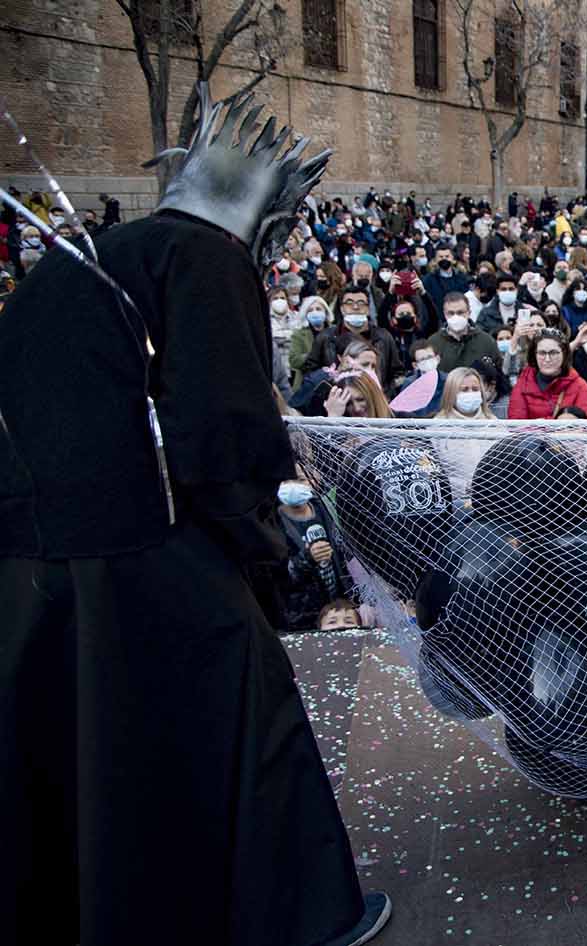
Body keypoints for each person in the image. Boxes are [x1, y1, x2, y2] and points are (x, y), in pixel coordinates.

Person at [0, 87, 387, 945]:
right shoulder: (205, 258)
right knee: (246, 697)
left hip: (39, 551)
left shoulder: (98, 251)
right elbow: (225, 427)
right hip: (139, 538)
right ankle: (295, 916)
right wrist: (257, 542)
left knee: (88, 736)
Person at [272, 470, 351, 630]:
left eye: (300, 479)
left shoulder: (325, 508)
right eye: (286, 481)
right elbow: (275, 576)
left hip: (337, 608)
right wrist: (306, 559)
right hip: (301, 615)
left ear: (314, 480)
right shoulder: (271, 522)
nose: (293, 486)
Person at [508, 328, 587, 420]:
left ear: (564, 354)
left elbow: (585, 423)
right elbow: (516, 423)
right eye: (542, 353)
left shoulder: (580, 386)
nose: (547, 359)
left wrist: (542, 423)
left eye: (553, 353)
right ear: (534, 355)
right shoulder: (523, 384)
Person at [429, 291, 498, 372]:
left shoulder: (486, 341)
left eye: (460, 313)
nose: (456, 317)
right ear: (445, 314)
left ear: (469, 313)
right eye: (451, 313)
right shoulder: (433, 343)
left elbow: (497, 372)